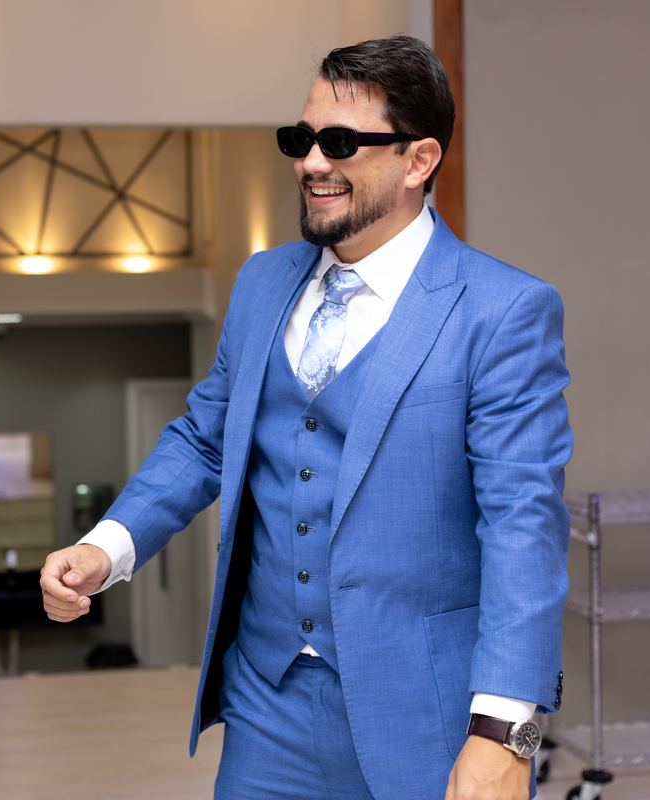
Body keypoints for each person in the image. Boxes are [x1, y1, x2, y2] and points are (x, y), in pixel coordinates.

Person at [40, 36, 572, 800]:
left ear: (419, 160)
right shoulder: (262, 282)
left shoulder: (502, 311)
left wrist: (504, 730)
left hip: (429, 715)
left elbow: (524, 523)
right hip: (267, 704)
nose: (312, 162)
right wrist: (105, 547)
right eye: (301, 138)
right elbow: (204, 439)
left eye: (342, 142)